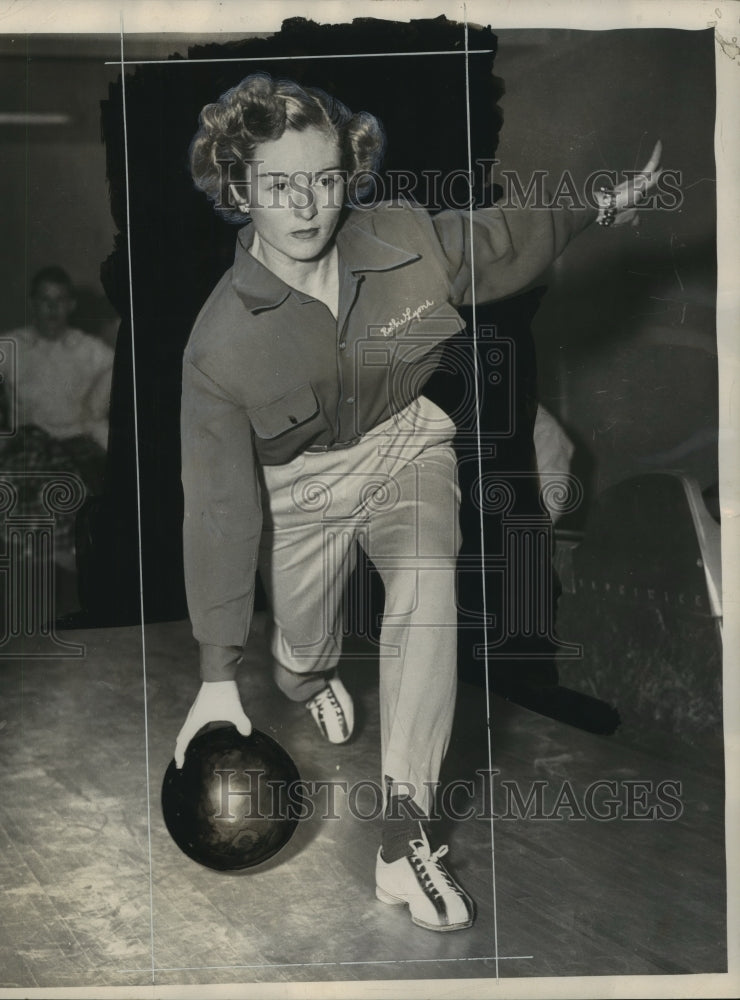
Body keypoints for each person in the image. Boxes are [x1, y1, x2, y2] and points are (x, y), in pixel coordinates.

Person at [174, 73, 660, 931]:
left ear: (346, 176)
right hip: (301, 490)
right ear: (238, 186)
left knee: (430, 585)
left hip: (407, 444)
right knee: (295, 660)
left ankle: (405, 844)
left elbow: (505, 238)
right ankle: (309, 668)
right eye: (279, 183)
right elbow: (217, 505)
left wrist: (598, 206)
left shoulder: (401, 238)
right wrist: (219, 677)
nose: (306, 205)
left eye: (324, 179)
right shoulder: (218, 346)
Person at [0, 266, 114, 585]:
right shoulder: (10, 347)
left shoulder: (92, 352)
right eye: (44, 300)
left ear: (71, 305)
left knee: (77, 492)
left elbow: (102, 413)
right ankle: (37, 566)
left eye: (60, 300)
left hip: (75, 445)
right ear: (32, 303)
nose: (52, 308)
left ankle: (62, 569)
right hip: (27, 445)